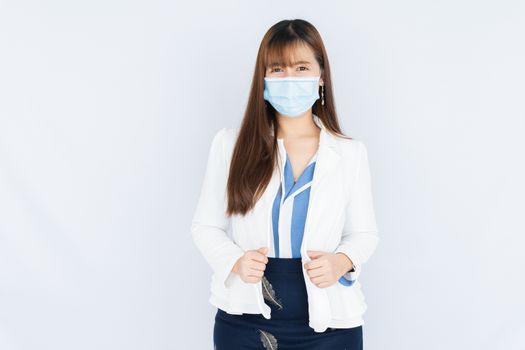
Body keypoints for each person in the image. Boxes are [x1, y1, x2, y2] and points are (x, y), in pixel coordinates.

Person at [191, 18, 380, 350]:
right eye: (277, 69)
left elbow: (364, 233)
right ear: (263, 80)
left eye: (302, 67)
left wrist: (341, 261)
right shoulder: (230, 145)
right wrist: (235, 260)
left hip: (331, 324)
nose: (289, 78)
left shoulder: (349, 153)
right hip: (245, 319)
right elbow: (205, 226)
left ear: (321, 78)